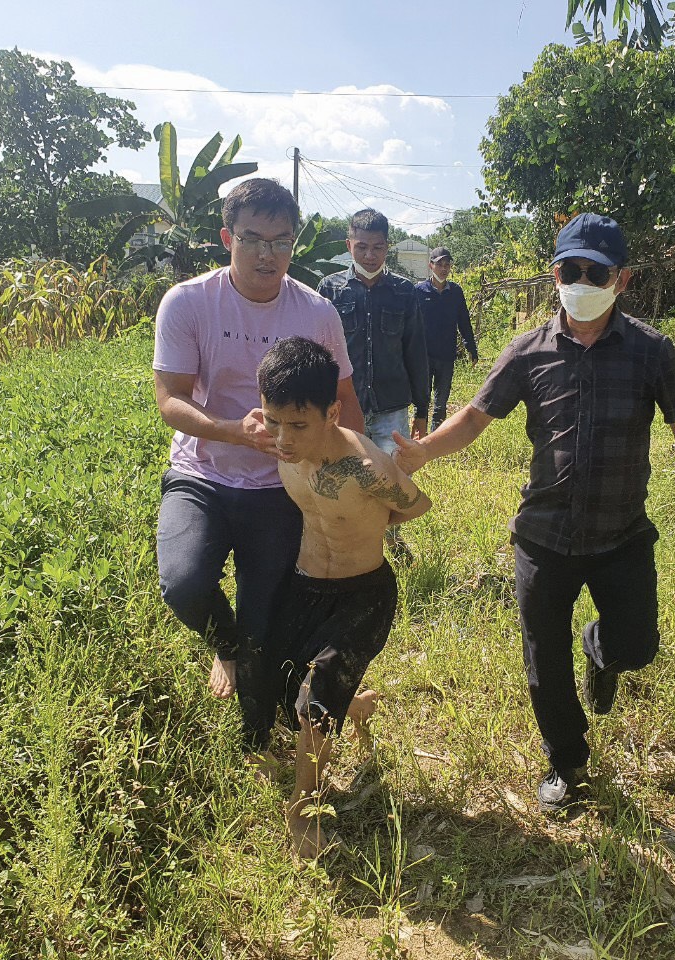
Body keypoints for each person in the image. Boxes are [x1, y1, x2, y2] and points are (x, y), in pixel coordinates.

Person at [394, 213, 675, 813]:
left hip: (621, 533)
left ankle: (601, 652)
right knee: (541, 655)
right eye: (569, 269)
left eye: (594, 271)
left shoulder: (651, 351)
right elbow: (476, 418)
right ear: (555, 274)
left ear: (621, 280)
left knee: (637, 645)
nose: (580, 280)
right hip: (544, 533)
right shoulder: (528, 352)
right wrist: (421, 453)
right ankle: (567, 761)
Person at [153, 177, 365, 754]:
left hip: (281, 489)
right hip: (202, 475)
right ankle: (224, 649)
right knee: (185, 581)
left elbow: (347, 405)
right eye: (254, 239)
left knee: (263, 620)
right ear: (227, 238)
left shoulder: (316, 312)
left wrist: (343, 476)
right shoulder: (190, 301)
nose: (268, 254)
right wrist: (233, 433)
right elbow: (170, 399)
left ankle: (259, 738)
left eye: (282, 240)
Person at [256, 336, 431, 858]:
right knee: (287, 692)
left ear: (333, 412)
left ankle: (303, 808)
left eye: (298, 426)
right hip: (305, 587)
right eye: (273, 422)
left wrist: (368, 520)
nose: (283, 439)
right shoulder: (279, 446)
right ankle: (356, 703)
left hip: (364, 594)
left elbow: (415, 505)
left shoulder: (367, 466)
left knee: (314, 707)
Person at [317, 209, 430, 454]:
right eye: (362, 247)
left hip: (392, 410)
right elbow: (318, 352)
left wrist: (422, 409)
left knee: (392, 482)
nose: (369, 255)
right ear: (349, 245)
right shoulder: (330, 289)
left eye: (377, 247)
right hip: (343, 406)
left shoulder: (404, 291)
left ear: (387, 247)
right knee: (346, 480)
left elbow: (416, 353)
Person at [416, 246, 479, 431]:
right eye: (439, 264)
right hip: (424, 356)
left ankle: (436, 437)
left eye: (447, 265)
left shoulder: (455, 292)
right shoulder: (419, 291)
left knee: (441, 401)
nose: (444, 268)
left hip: (446, 355)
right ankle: (420, 435)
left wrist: (471, 348)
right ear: (431, 266)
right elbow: (409, 323)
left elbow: (464, 322)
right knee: (422, 399)